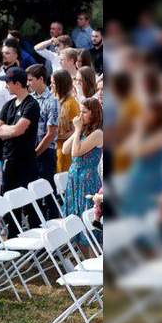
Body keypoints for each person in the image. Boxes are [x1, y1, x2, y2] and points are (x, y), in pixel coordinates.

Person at [0, 67, 42, 236]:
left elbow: (18, 130)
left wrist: (3, 130)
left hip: (26, 161)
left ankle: (36, 238)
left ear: (17, 83)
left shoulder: (31, 104)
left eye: (7, 83)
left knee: (30, 202)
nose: (5, 86)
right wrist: (3, 130)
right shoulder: (8, 105)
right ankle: (14, 236)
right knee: (9, 201)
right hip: (9, 160)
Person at [61, 98, 103, 246]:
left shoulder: (98, 133)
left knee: (88, 231)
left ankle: (94, 262)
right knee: (76, 225)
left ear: (94, 114)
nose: (80, 115)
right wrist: (77, 131)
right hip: (75, 180)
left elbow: (76, 152)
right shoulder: (84, 130)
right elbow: (65, 149)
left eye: (84, 112)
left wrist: (78, 130)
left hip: (87, 181)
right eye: (80, 111)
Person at [27, 64, 60, 219]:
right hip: (32, 151)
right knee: (34, 193)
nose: (29, 83)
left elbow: (51, 133)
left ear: (41, 79)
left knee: (48, 191)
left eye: (31, 80)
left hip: (46, 152)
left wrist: (36, 153)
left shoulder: (52, 101)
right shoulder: (31, 99)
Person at [52, 69, 80, 173]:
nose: (51, 86)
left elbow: (76, 130)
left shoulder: (71, 104)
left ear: (61, 84)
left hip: (64, 151)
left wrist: (53, 135)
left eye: (54, 83)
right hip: (54, 149)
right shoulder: (55, 100)